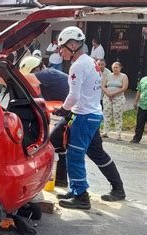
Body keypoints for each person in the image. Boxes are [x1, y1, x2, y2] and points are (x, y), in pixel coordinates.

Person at [19, 56, 125, 201]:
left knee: (54, 143)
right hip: (81, 113)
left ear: (35, 69)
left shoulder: (48, 74)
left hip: (81, 114)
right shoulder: (46, 80)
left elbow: (20, 79)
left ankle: (102, 190)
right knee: (93, 151)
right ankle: (70, 183)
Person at [53, 26, 104, 210]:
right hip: (92, 113)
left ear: (73, 44)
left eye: (62, 47)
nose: (60, 51)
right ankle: (76, 190)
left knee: (74, 154)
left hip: (84, 115)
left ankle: (81, 196)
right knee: (76, 153)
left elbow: (74, 96)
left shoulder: (78, 65)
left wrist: (62, 109)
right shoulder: (90, 62)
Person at [101, 62, 129, 141]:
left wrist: (113, 93)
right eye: (114, 67)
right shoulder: (108, 75)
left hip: (118, 98)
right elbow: (103, 85)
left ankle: (118, 134)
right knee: (107, 114)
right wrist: (108, 93)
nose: (115, 69)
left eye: (117, 67)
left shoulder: (124, 76)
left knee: (117, 115)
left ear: (120, 68)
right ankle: (105, 132)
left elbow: (124, 87)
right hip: (107, 97)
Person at [131, 76, 147, 143]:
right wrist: (135, 101)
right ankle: (136, 138)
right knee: (140, 123)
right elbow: (139, 91)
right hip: (142, 105)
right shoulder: (143, 79)